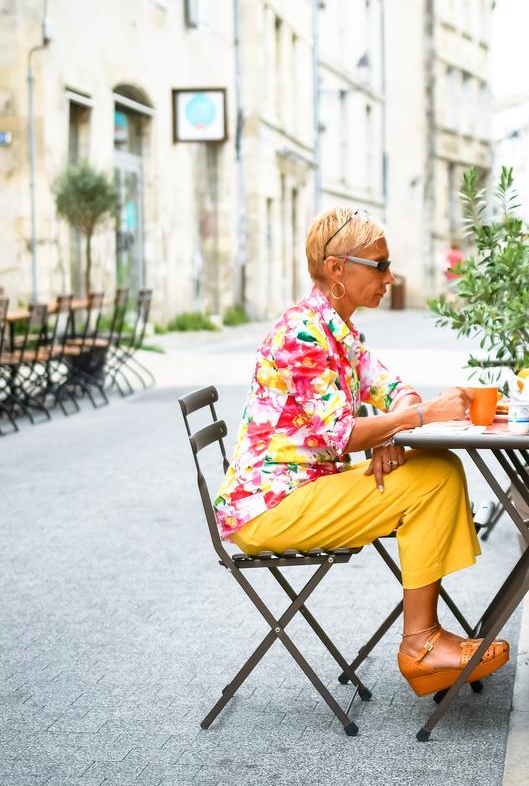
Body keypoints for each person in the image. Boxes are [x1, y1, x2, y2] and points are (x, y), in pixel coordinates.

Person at [214, 206, 509, 696]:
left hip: (306, 488)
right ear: (337, 269)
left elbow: (393, 389)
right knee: (435, 476)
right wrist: (415, 419)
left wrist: (391, 432)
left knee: (437, 467)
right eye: (380, 265)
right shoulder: (303, 334)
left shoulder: (338, 330)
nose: (390, 278)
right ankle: (421, 644)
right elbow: (344, 435)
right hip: (269, 507)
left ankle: (425, 640)